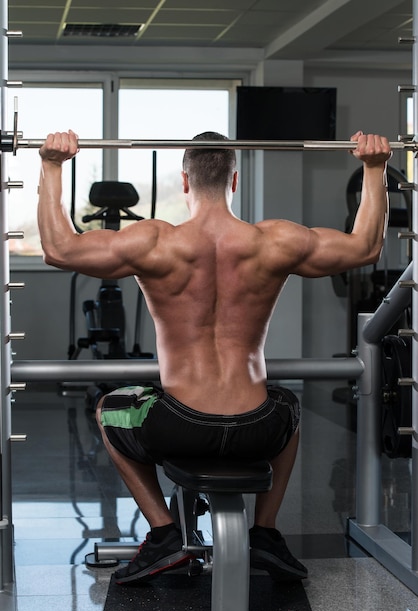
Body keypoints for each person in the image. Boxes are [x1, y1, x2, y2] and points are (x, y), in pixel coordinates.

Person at [37, 129, 391, 585]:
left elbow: (58, 249)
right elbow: (365, 247)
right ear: (235, 181)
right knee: (290, 406)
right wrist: (375, 168)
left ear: (184, 182)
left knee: (110, 408)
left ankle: (164, 534)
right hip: (257, 426)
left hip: (180, 425)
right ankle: (264, 532)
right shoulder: (275, 241)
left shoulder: (154, 242)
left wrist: (51, 165)